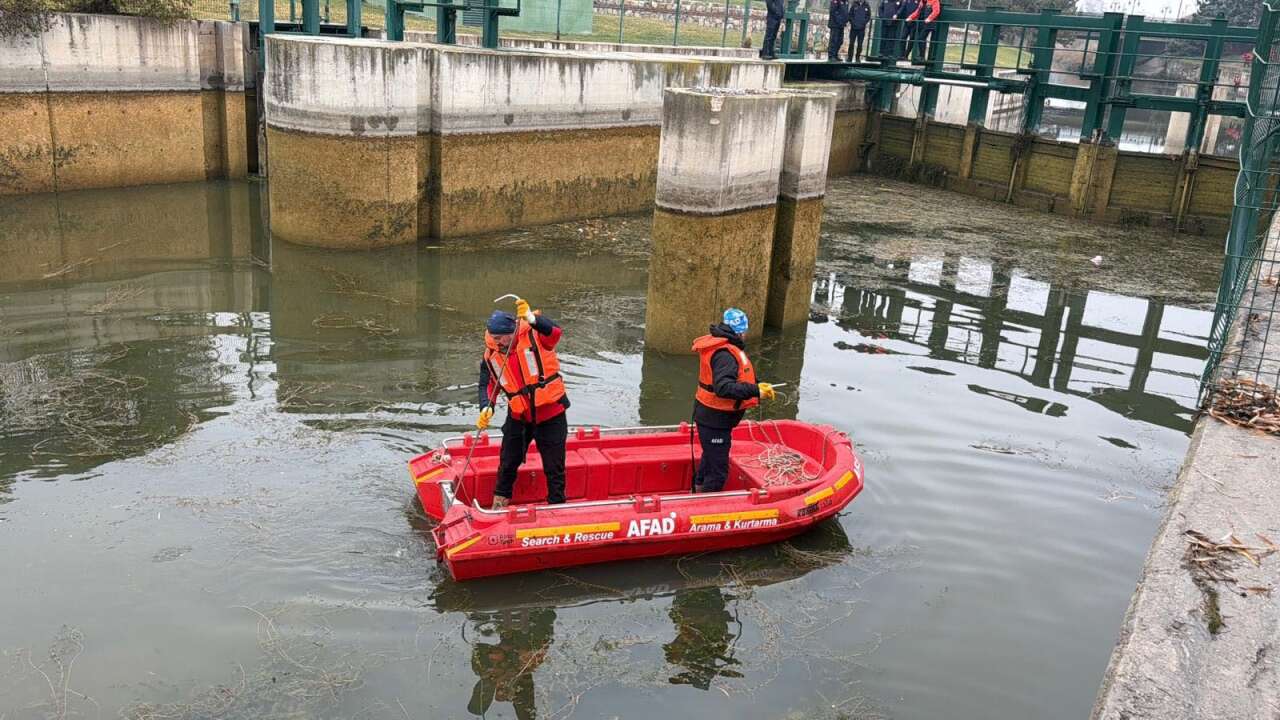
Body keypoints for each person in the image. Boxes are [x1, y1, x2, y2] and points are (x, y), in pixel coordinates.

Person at [476, 299, 569, 509]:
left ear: (511, 332)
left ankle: (557, 508)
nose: (496, 341)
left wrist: (533, 319)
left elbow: (555, 332)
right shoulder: (491, 355)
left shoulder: (537, 336)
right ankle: (499, 505)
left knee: (554, 468)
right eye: (493, 337)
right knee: (507, 463)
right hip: (518, 417)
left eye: (500, 337)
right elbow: (487, 384)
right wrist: (485, 406)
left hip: (550, 415)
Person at [690, 309, 776, 494]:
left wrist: (758, 385)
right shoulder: (725, 355)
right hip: (715, 420)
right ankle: (705, 512)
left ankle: (696, 493)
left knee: (709, 460)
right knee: (718, 472)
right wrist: (755, 391)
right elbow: (723, 387)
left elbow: (738, 379)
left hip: (712, 418)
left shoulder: (723, 348)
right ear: (740, 332)